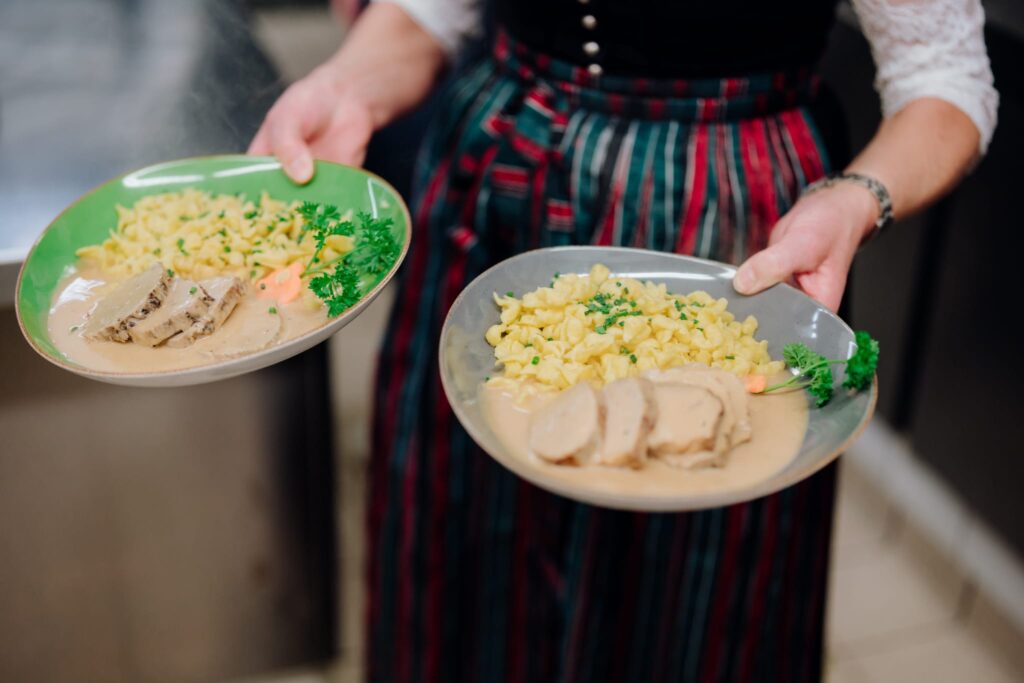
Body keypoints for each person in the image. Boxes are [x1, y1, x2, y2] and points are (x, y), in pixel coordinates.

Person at [251, 1, 997, 680]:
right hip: (500, 202)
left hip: (727, 225)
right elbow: (433, 13)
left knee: (682, 602)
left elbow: (945, 80)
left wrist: (857, 198)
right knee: (468, 554)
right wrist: (347, 84)